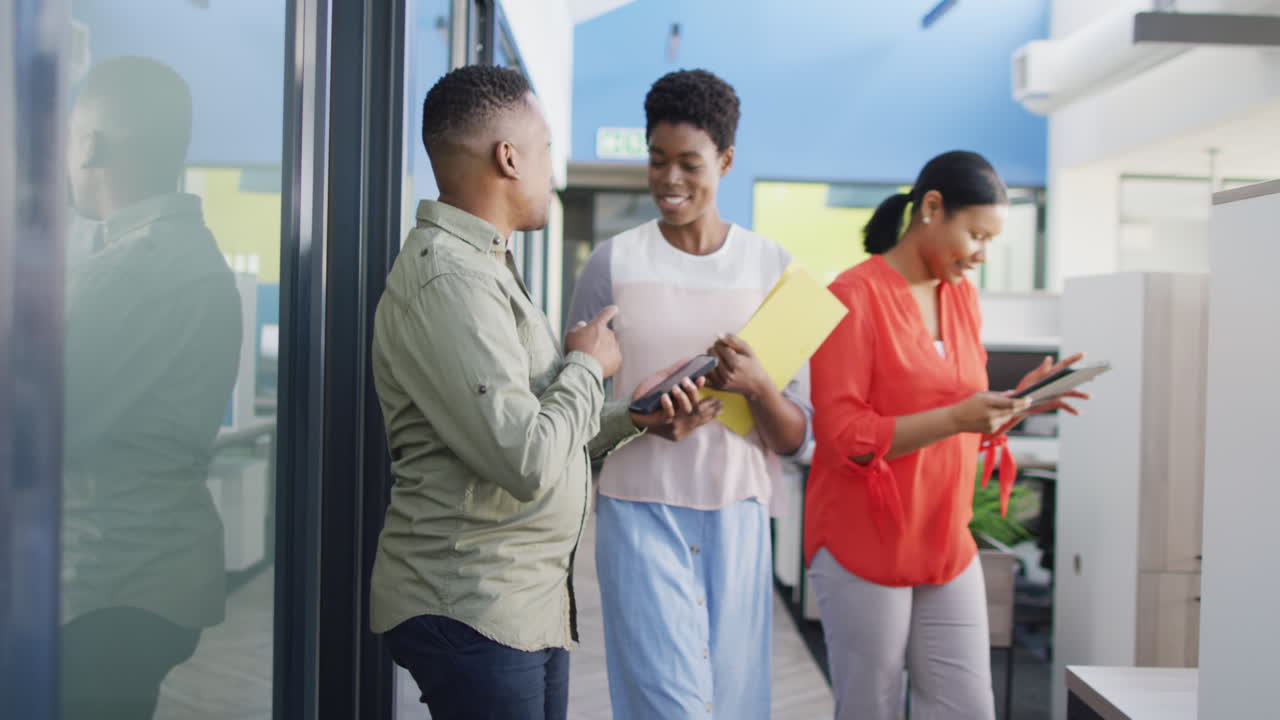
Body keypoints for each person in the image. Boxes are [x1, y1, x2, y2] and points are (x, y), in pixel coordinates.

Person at [368, 65, 702, 720]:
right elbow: (525, 459)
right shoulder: (452, 282)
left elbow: (535, 427)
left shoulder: (485, 267)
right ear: (509, 157)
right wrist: (585, 365)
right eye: (547, 150)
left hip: (520, 604)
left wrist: (633, 418)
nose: (555, 170)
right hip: (472, 606)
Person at [567, 69, 812, 720]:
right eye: (656, 160)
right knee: (662, 705)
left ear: (726, 161)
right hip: (636, 510)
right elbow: (572, 417)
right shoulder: (610, 265)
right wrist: (643, 418)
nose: (669, 181)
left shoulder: (772, 267)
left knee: (734, 703)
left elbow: (794, 436)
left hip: (737, 513)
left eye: (689, 163)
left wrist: (757, 385)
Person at [805, 150, 1085, 720]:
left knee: (967, 707)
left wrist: (1012, 408)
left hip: (944, 535)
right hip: (865, 539)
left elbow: (956, 416)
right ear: (932, 208)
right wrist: (959, 417)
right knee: (870, 708)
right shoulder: (850, 297)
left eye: (991, 241)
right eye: (975, 235)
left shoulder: (961, 299)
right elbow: (843, 437)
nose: (982, 255)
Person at [61, 56, 242, 719]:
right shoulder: (179, 256)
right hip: (149, 574)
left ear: (90, 143)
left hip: (106, 584)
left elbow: (34, 425)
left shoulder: (130, 272)